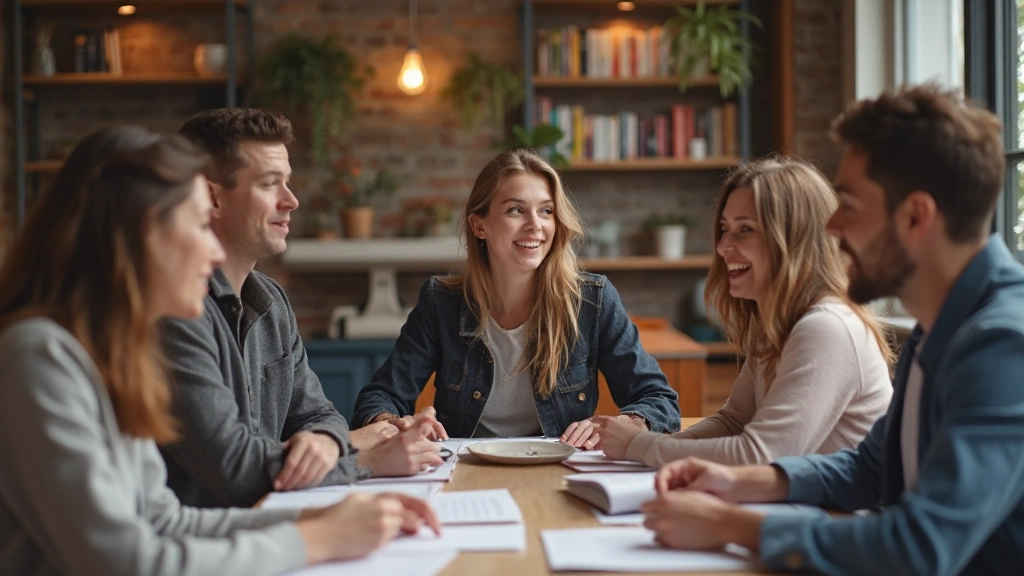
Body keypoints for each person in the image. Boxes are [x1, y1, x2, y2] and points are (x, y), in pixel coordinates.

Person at [0, 126, 440, 576]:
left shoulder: (112, 358)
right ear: (137, 235)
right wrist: (318, 537)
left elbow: (165, 520)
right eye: (197, 226)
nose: (213, 253)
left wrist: (323, 518)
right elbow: (125, 562)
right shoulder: (39, 358)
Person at [640, 84, 1024, 575]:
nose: (832, 226)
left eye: (850, 205)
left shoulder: (1002, 345)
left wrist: (731, 524)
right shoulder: (941, 328)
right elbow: (872, 467)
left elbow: (921, 546)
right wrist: (751, 483)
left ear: (915, 216)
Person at [159, 108, 444, 509]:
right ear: (212, 198)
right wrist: (365, 460)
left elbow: (321, 416)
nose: (291, 201)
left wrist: (327, 441)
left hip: (273, 523)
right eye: (269, 184)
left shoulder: (272, 301)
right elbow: (234, 469)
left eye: (287, 182)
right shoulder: (173, 310)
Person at [351, 149, 681, 448]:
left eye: (546, 211)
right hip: (466, 469)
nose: (535, 225)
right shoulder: (441, 302)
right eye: (515, 210)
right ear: (479, 226)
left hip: (558, 467)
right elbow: (381, 397)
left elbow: (658, 399)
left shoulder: (592, 301)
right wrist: (393, 424)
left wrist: (626, 422)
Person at [594, 157, 893, 466]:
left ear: (794, 240)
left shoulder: (827, 328)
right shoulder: (776, 324)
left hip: (842, 513)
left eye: (745, 229)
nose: (723, 245)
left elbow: (761, 455)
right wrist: (658, 445)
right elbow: (734, 421)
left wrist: (639, 446)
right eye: (724, 229)